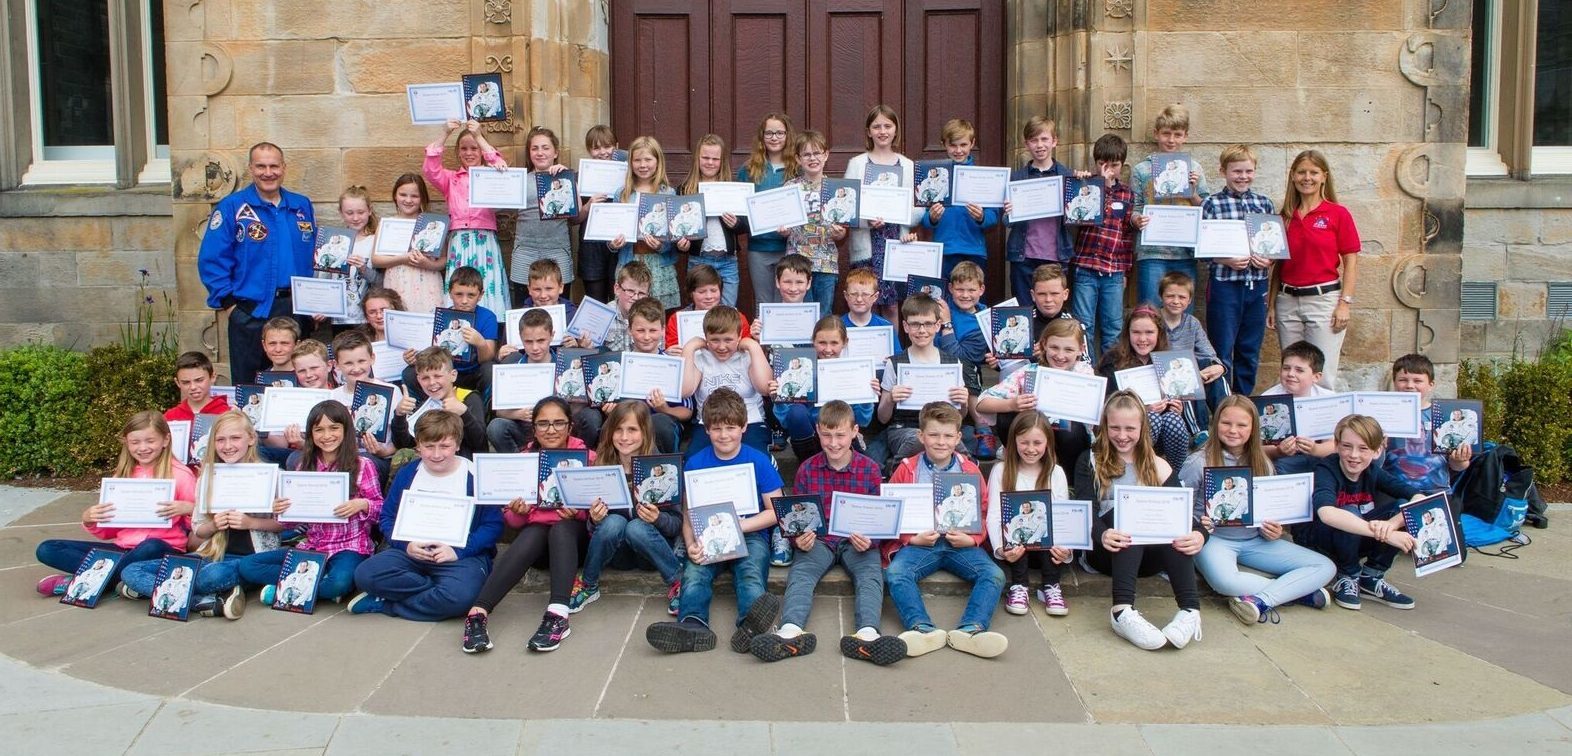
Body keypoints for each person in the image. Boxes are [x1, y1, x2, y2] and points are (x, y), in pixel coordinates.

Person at [748, 401, 906, 665]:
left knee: (870, 575)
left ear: (855, 431)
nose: (834, 443)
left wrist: (871, 540)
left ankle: (867, 635)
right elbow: (795, 516)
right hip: (819, 539)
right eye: (827, 435)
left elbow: (879, 517)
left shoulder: (870, 470)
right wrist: (799, 538)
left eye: (841, 435)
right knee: (800, 574)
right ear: (818, 431)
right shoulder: (807, 469)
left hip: (857, 539)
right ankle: (791, 631)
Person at [645, 388, 785, 654]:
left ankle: (752, 626)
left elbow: (775, 511)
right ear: (706, 429)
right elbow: (688, 513)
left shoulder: (759, 460)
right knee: (695, 573)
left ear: (744, 427)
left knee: (751, 573)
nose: (724, 435)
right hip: (707, 533)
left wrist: (740, 525)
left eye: (731, 427)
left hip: (750, 532)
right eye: (717, 428)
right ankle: (693, 625)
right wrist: (690, 544)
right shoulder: (696, 463)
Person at [1181, 396, 1335, 625]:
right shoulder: (1197, 462)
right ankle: (1299, 592)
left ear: (1253, 428)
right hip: (1214, 540)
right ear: (1215, 425)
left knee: (1325, 566)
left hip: (1255, 540)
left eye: (1242, 425)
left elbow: (1269, 509)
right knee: (1224, 582)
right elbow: (1180, 507)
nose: (1233, 430)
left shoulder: (1263, 463)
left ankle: (1259, 600)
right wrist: (1196, 524)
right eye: (1226, 423)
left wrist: (1273, 529)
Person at [1075, 391, 1204, 651]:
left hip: (1150, 558)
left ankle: (1189, 611)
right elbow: (1084, 510)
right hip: (1107, 551)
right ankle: (1122, 611)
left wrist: (1201, 535)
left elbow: (1182, 515)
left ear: (1143, 427)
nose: (1122, 435)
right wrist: (1101, 534)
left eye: (1130, 428)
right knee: (1126, 513)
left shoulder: (1158, 465)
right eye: (1115, 428)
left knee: (1173, 522)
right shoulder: (1090, 459)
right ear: (1104, 426)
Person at [121, 411, 282, 619]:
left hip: (251, 558)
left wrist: (252, 522)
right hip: (212, 553)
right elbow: (198, 529)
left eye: (235, 438)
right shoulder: (208, 475)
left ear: (251, 438)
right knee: (131, 571)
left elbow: (283, 526)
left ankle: (177, 594)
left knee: (210, 577)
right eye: (220, 440)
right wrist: (214, 525)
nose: (227, 445)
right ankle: (202, 601)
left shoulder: (269, 475)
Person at [463, 397, 592, 653]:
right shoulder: (522, 460)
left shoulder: (587, 457)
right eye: (543, 424)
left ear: (570, 426)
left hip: (574, 544)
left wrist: (578, 512)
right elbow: (512, 521)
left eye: (558, 423)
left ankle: (557, 614)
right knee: (536, 530)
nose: (551, 430)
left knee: (561, 527)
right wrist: (519, 512)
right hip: (538, 546)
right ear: (533, 429)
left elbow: (595, 515)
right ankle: (478, 613)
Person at [350, 411, 503, 621]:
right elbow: (388, 518)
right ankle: (432, 592)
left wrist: (459, 550)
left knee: (460, 597)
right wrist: (406, 545)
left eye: (444, 446)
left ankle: (388, 604)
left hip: (460, 555)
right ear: (418, 445)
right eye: (429, 446)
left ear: (457, 444)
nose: (437, 454)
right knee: (365, 574)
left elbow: (492, 525)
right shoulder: (408, 473)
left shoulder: (476, 476)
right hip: (411, 551)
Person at [883, 402, 1007, 658]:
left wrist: (972, 539)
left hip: (958, 544)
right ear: (921, 436)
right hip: (920, 544)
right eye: (934, 434)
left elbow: (983, 512)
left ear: (959, 438)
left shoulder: (970, 471)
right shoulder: (906, 469)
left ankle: (971, 630)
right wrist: (911, 538)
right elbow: (890, 513)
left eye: (948, 435)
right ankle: (922, 629)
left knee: (993, 574)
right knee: (896, 573)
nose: (941, 442)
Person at [35, 412, 197, 597]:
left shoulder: (181, 475)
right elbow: (110, 532)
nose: (143, 447)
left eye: (150, 441)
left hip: (162, 549)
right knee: (48, 548)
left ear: (165, 440)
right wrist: (91, 519)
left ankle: (82, 582)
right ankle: (114, 582)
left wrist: (189, 509)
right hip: (122, 549)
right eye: (135, 442)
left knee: (151, 546)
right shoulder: (122, 476)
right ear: (126, 443)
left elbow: (199, 527)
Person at [237, 401, 384, 605]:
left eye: (334, 428)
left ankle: (290, 588)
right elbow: (292, 523)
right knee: (249, 566)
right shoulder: (304, 466)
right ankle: (316, 585)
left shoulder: (362, 465)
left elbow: (380, 510)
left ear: (346, 430)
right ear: (311, 434)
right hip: (314, 545)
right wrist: (281, 510)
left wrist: (362, 505)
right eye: (319, 430)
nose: (326, 436)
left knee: (339, 582)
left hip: (350, 546)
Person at [197, 142, 315, 385]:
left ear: (284, 168)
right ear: (251, 168)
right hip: (250, 311)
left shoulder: (301, 205)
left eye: (274, 166)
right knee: (250, 385)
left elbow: (315, 255)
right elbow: (211, 260)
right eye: (261, 166)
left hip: (296, 308)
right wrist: (230, 307)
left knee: (300, 381)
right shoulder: (233, 207)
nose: (268, 172)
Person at [1296, 415, 1426, 611]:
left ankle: (1370, 577)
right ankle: (1347, 575)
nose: (1354, 455)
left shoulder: (1373, 471)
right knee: (1347, 512)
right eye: (1347, 446)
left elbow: (1419, 498)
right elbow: (1327, 514)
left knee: (1401, 506)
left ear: (1377, 451)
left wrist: (1391, 525)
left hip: (1355, 538)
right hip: (1321, 540)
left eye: (1363, 448)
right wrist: (1387, 534)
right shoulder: (1326, 469)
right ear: (1337, 445)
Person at [567, 401, 683, 617]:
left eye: (632, 430)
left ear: (645, 432)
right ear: (610, 433)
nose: (624, 437)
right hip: (617, 553)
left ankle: (677, 582)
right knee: (614, 522)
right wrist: (594, 519)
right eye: (618, 430)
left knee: (636, 527)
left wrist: (658, 518)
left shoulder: (664, 470)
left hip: (651, 552)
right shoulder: (602, 466)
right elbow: (595, 530)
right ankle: (589, 585)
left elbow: (676, 524)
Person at [1269, 149, 1361, 388]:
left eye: (1313, 172)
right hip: (1287, 302)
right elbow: (1279, 265)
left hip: (1323, 302)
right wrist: (1271, 304)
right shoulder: (1285, 217)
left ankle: (1322, 424)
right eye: (1301, 172)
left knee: (1322, 376)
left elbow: (1351, 261)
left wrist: (1345, 303)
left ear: (1324, 176)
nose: (1306, 177)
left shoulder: (1337, 214)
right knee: (1292, 375)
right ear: (1292, 176)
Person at [1201, 145, 1276, 396]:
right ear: (1224, 172)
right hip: (1225, 285)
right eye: (1237, 171)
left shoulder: (1264, 203)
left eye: (1248, 171)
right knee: (1221, 350)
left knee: (1249, 349)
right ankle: (1222, 407)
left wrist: (1269, 260)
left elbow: (1274, 247)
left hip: (1257, 286)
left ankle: (1243, 404)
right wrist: (1225, 259)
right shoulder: (1212, 203)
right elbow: (1201, 251)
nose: (1243, 176)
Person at [870, 294, 970, 475]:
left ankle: (966, 474)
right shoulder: (895, 363)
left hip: (940, 428)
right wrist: (891, 398)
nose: (921, 330)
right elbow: (883, 417)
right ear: (906, 326)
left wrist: (963, 402)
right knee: (918, 439)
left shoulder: (952, 363)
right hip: (903, 428)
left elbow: (960, 416)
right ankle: (898, 473)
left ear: (938, 325)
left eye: (928, 324)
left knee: (955, 443)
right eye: (915, 324)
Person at [986, 412, 1073, 617]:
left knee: (1045, 527)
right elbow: (994, 515)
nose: (1031, 449)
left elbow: (1063, 516)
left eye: (1037, 442)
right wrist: (1001, 548)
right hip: (1015, 551)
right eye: (1024, 442)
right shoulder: (1001, 470)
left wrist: (1066, 549)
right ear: (1013, 441)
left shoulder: (1056, 472)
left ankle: (1051, 587)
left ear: (1047, 443)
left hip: (1048, 551)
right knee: (1020, 531)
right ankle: (1019, 587)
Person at [1095, 306, 1197, 471]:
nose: (1142, 338)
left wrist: (1178, 410)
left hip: (1165, 438)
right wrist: (1143, 410)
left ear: (1159, 334)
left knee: (1174, 421)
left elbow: (1185, 403)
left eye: (1149, 332)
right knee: (1152, 418)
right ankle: (1135, 471)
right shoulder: (1113, 361)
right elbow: (1105, 405)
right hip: (1126, 434)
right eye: (1136, 332)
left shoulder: (1171, 362)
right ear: (1128, 334)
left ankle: (1174, 475)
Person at [424, 119, 510, 316]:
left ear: (481, 150)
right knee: (460, 288)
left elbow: (501, 165)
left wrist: (480, 136)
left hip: (484, 240)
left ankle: (488, 332)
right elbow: (430, 169)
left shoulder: (492, 176)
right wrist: (445, 133)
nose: (469, 153)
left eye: (474, 148)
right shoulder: (451, 179)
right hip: (459, 242)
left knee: (486, 287)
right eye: (464, 148)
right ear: (458, 152)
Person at [1070, 133, 1146, 354]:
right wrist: (1097, 186)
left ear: (1122, 165)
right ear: (1096, 163)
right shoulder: (1085, 185)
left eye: (1114, 165)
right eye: (1103, 164)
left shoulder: (1127, 194)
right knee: (1083, 325)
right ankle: (1087, 374)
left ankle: (1109, 376)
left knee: (1113, 327)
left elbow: (1126, 236)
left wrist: (1126, 273)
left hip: (1114, 271)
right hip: (1086, 266)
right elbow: (1077, 218)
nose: (1108, 170)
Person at [845, 104, 921, 321]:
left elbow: (919, 209)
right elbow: (846, 209)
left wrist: (896, 214)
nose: (882, 131)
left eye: (888, 125)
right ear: (868, 131)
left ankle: (891, 353)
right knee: (864, 306)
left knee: (892, 308)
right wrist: (866, 221)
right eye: (876, 126)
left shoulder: (907, 165)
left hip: (896, 245)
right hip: (867, 246)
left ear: (896, 130)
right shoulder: (857, 164)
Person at [1131, 104, 1208, 309]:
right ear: (1157, 134)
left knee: (1183, 313)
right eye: (1166, 134)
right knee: (1149, 312)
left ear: (1185, 136)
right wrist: (1136, 219)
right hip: (1152, 252)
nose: (1171, 140)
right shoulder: (1142, 169)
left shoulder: (1195, 168)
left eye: (1177, 134)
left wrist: (1193, 195)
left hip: (1185, 252)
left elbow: (1207, 210)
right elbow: (1135, 206)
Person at [679, 306, 772, 456]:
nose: (722, 347)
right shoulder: (701, 357)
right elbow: (685, 391)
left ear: (740, 335)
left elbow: (765, 388)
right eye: (715, 340)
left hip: (750, 422)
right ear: (706, 337)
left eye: (728, 340)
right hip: (709, 425)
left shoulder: (747, 356)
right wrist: (689, 348)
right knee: (693, 461)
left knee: (756, 458)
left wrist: (753, 346)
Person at [1005, 117, 1076, 304]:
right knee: (1024, 310)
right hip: (1024, 257)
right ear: (1026, 143)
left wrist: (1084, 182)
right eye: (1034, 140)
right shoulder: (1016, 178)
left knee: (1054, 310)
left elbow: (1081, 217)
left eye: (1044, 139)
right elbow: (1005, 221)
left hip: (1057, 257)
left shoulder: (1069, 177)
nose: (1039, 145)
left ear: (1054, 141)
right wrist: (1008, 212)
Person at [1383, 353, 1473, 498]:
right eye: (1403, 380)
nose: (1410, 386)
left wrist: (1460, 460)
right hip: (1392, 492)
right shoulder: (1384, 415)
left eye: (1418, 381)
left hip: (1436, 492)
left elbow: (1457, 467)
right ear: (1394, 382)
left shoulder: (1443, 417)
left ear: (1431, 385)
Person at [400, 266, 498, 399]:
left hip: (473, 373)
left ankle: (486, 413)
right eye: (459, 294)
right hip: (443, 374)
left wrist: (480, 343)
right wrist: (413, 358)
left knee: (490, 369)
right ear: (450, 293)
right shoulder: (441, 317)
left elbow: (487, 358)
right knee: (409, 373)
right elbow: (429, 354)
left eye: (471, 295)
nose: (464, 301)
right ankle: (423, 410)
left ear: (480, 295)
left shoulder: (487, 317)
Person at [920, 119, 999, 277]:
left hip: (974, 250)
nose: (958, 150)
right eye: (953, 145)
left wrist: (982, 217)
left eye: (963, 145)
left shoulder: (983, 177)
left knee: (972, 297)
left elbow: (994, 216)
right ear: (944, 144)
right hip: (944, 249)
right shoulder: (933, 176)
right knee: (944, 299)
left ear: (972, 143)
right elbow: (922, 216)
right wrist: (932, 218)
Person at [782, 130, 849, 315]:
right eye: (806, 154)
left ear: (826, 155)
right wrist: (783, 230)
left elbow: (843, 229)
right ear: (798, 158)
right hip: (797, 263)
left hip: (826, 263)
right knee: (800, 314)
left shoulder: (838, 189)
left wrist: (840, 233)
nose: (813, 158)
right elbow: (783, 223)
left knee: (824, 314)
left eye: (817, 153)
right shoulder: (790, 187)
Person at [611, 136, 680, 309]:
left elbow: (674, 236)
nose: (643, 165)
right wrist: (613, 244)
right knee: (629, 312)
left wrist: (660, 246)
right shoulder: (622, 194)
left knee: (656, 313)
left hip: (659, 264)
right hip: (629, 260)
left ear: (658, 161)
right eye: (637, 160)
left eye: (648, 159)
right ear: (631, 163)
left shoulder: (668, 194)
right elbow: (611, 231)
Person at [509, 127, 576, 306]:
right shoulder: (519, 179)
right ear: (529, 152)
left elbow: (577, 217)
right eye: (535, 148)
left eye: (545, 148)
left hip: (557, 251)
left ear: (555, 152)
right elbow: (493, 208)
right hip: (525, 252)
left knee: (558, 308)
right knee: (523, 308)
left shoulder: (566, 177)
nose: (540, 153)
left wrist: (568, 180)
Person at [737, 113, 796, 306]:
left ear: (787, 136)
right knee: (762, 304)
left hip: (789, 247)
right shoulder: (748, 170)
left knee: (787, 301)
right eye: (769, 132)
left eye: (780, 132)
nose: (774, 137)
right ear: (762, 136)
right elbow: (740, 208)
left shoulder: (798, 168)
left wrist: (792, 229)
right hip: (759, 248)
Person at [678, 134, 742, 307]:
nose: (710, 162)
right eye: (705, 157)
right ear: (697, 158)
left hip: (727, 260)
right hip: (699, 259)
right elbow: (678, 228)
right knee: (699, 308)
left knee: (728, 309)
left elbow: (746, 224)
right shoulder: (686, 189)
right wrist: (681, 245)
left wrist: (736, 223)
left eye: (715, 159)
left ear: (722, 161)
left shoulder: (732, 187)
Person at [934, 260, 991, 455]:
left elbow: (958, 355)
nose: (965, 295)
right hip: (933, 364)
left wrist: (947, 323)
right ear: (950, 288)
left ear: (981, 289)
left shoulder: (984, 320)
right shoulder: (940, 306)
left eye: (971, 290)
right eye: (959, 289)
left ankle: (983, 428)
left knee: (963, 365)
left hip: (966, 372)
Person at [1156, 271, 1228, 423]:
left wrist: (1219, 367)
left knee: (1210, 369)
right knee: (1188, 376)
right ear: (1161, 296)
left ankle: (1228, 418)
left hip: (1188, 374)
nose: (1176, 301)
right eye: (1170, 296)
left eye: (1182, 297)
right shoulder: (1153, 320)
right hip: (1162, 375)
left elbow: (1208, 354)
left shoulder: (1192, 323)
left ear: (1189, 301)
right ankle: (1200, 431)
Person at [486, 308, 559, 453]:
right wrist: (518, 414)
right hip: (524, 429)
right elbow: (499, 411)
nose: (535, 347)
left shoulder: (563, 366)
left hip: (557, 428)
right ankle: (519, 462)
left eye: (541, 341)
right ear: (520, 338)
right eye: (528, 342)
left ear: (552, 336)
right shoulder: (510, 365)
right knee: (496, 427)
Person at [391, 347, 487, 457]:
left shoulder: (469, 399)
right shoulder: (424, 404)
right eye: (425, 378)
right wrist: (399, 416)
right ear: (418, 380)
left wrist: (464, 413)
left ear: (453, 375)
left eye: (438, 376)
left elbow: (481, 445)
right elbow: (404, 444)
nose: (432, 382)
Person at [374, 173, 448, 314]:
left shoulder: (433, 224)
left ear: (422, 199)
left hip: (428, 282)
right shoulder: (387, 224)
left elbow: (444, 259)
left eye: (414, 196)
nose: (408, 200)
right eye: (403, 195)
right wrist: (403, 258)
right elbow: (376, 260)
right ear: (395, 195)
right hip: (397, 282)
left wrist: (428, 264)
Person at [1263, 340, 1337, 475]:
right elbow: (1258, 448)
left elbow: (1334, 444)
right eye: (1286, 368)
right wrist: (1279, 451)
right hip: (1283, 459)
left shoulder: (1327, 399)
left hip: (1319, 455)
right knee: (1277, 467)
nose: (1291, 374)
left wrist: (1315, 449)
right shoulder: (1268, 399)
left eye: (1299, 370)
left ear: (1316, 376)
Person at [321, 185, 382, 334]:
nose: (355, 218)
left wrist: (364, 269)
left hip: (367, 317)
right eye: (349, 213)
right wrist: (320, 307)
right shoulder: (332, 241)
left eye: (360, 212)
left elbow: (382, 282)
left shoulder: (375, 240)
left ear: (370, 210)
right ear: (341, 213)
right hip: (339, 317)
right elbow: (323, 279)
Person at [579, 124, 629, 304]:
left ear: (616, 146)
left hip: (620, 245)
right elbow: (574, 220)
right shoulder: (581, 177)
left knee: (621, 299)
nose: (603, 152)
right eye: (596, 147)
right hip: (592, 249)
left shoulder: (628, 175)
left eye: (608, 146)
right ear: (588, 150)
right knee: (595, 302)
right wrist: (588, 205)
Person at [667, 265, 750, 355]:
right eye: (702, 292)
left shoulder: (737, 317)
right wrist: (670, 352)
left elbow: (747, 347)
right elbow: (672, 346)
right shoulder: (677, 319)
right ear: (691, 293)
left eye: (713, 291)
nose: (709, 297)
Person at [165, 351, 230, 427]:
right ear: (178, 383)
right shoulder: (170, 418)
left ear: (213, 377)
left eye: (199, 380)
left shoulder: (227, 414)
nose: (193, 387)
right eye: (186, 382)